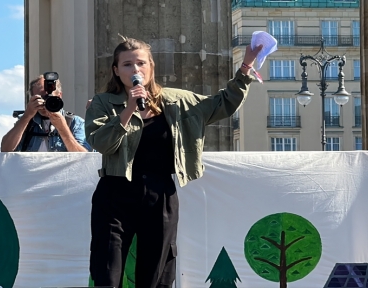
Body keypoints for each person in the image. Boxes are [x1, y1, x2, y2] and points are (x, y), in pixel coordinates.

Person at [85, 36, 262, 287]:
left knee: (156, 273)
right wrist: (128, 110)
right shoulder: (103, 103)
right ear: (116, 70)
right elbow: (101, 143)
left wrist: (245, 67)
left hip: (160, 194)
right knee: (107, 271)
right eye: (127, 64)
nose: (135, 69)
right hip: (115, 193)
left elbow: (223, 103)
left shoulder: (177, 101)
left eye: (140, 63)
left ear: (151, 67)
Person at [1, 75, 91, 152]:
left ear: (59, 96)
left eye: (50, 98)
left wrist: (63, 128)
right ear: (32, 98)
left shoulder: (75, 122)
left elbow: (85, 158)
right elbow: (5, 149)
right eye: (41, 98)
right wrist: (26, 116)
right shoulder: (27, 122)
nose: (45, 102)